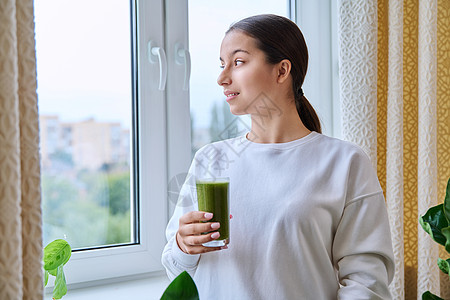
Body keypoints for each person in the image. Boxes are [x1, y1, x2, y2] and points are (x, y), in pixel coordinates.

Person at [162, 14, 394, 299]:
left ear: (282, 71)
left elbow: (366, 280)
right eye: (222, 65)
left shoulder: (345, 162)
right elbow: (175, 268)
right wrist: (183, 245)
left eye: (238, 62)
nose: (222, 78)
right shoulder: (211, 159)